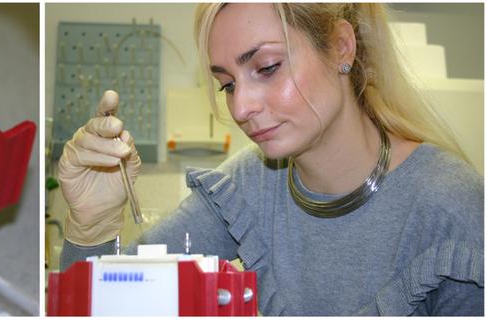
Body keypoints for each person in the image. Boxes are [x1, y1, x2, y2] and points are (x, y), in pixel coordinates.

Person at [56, 3, 483, 316]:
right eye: (227, 85)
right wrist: (91, 227)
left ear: (341, 48)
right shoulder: (243, 188)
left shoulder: (451, 207)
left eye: (267, 67)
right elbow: (105, 308)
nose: (241, 107)